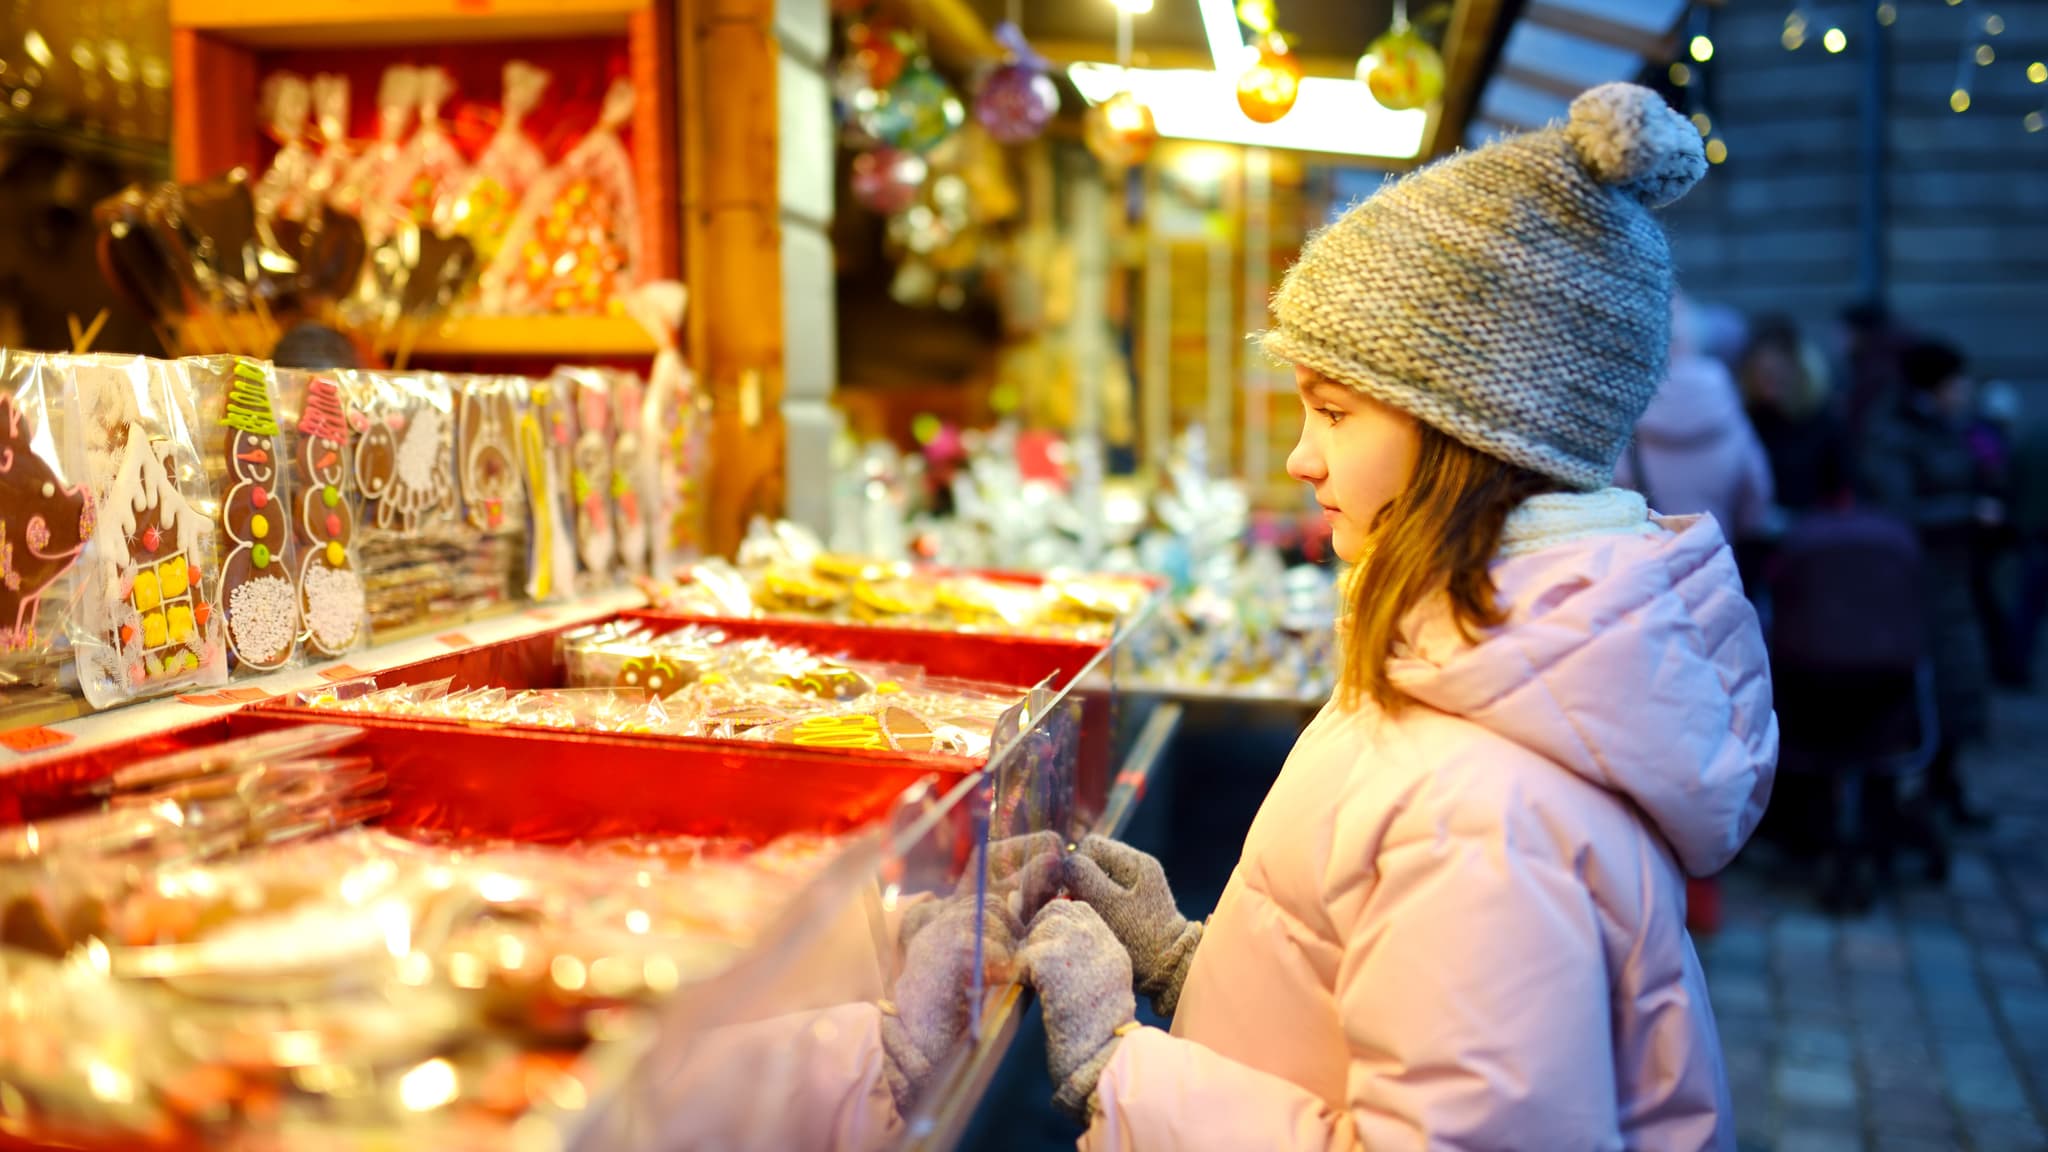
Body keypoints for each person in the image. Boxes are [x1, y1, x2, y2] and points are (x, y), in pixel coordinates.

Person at [1017, 84, 1777, 1150]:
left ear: (1468, 435)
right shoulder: (1460, 680)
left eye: (1333, 412)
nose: (1300, 457)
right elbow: (1377, 1013)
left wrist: (1115, 1072)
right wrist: (1192, 960)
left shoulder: (1480, 804)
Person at [1859, 338, 1995, 825]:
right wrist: (1967, 513)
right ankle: (1911, 793)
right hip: (1916, 581)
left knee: (1960, 678)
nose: (1965, 391)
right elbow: (1899, 510)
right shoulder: (1892, 431)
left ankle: (1945, 784)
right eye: (1957, 382)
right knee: (1927, 683)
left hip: (1953, 575)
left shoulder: (1946, 426)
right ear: (1934, 386)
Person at [1615, 292, 1776, 539]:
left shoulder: (1626, 403)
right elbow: (1756, 496)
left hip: (1645, 567)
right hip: (1714, 560)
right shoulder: (1724, 397)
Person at [1738, 314, 1847, 514]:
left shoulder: (1823, 420)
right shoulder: (1747, 421)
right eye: (1764, 374)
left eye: (1777, 373)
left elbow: (1840, 490)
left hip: (1813, 531)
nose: (1770, 382)